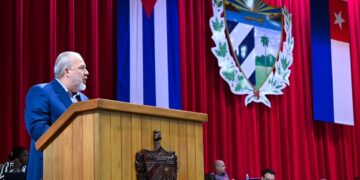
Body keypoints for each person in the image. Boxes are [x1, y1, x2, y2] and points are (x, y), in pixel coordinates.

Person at [25, 51, 89, 180]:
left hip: (81, 170)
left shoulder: (86, 100)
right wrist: (72, 140)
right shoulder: (42, 91)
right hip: (49, 168)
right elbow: (37, 128)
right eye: (82, 68)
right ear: (67, 71)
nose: (87, 72)